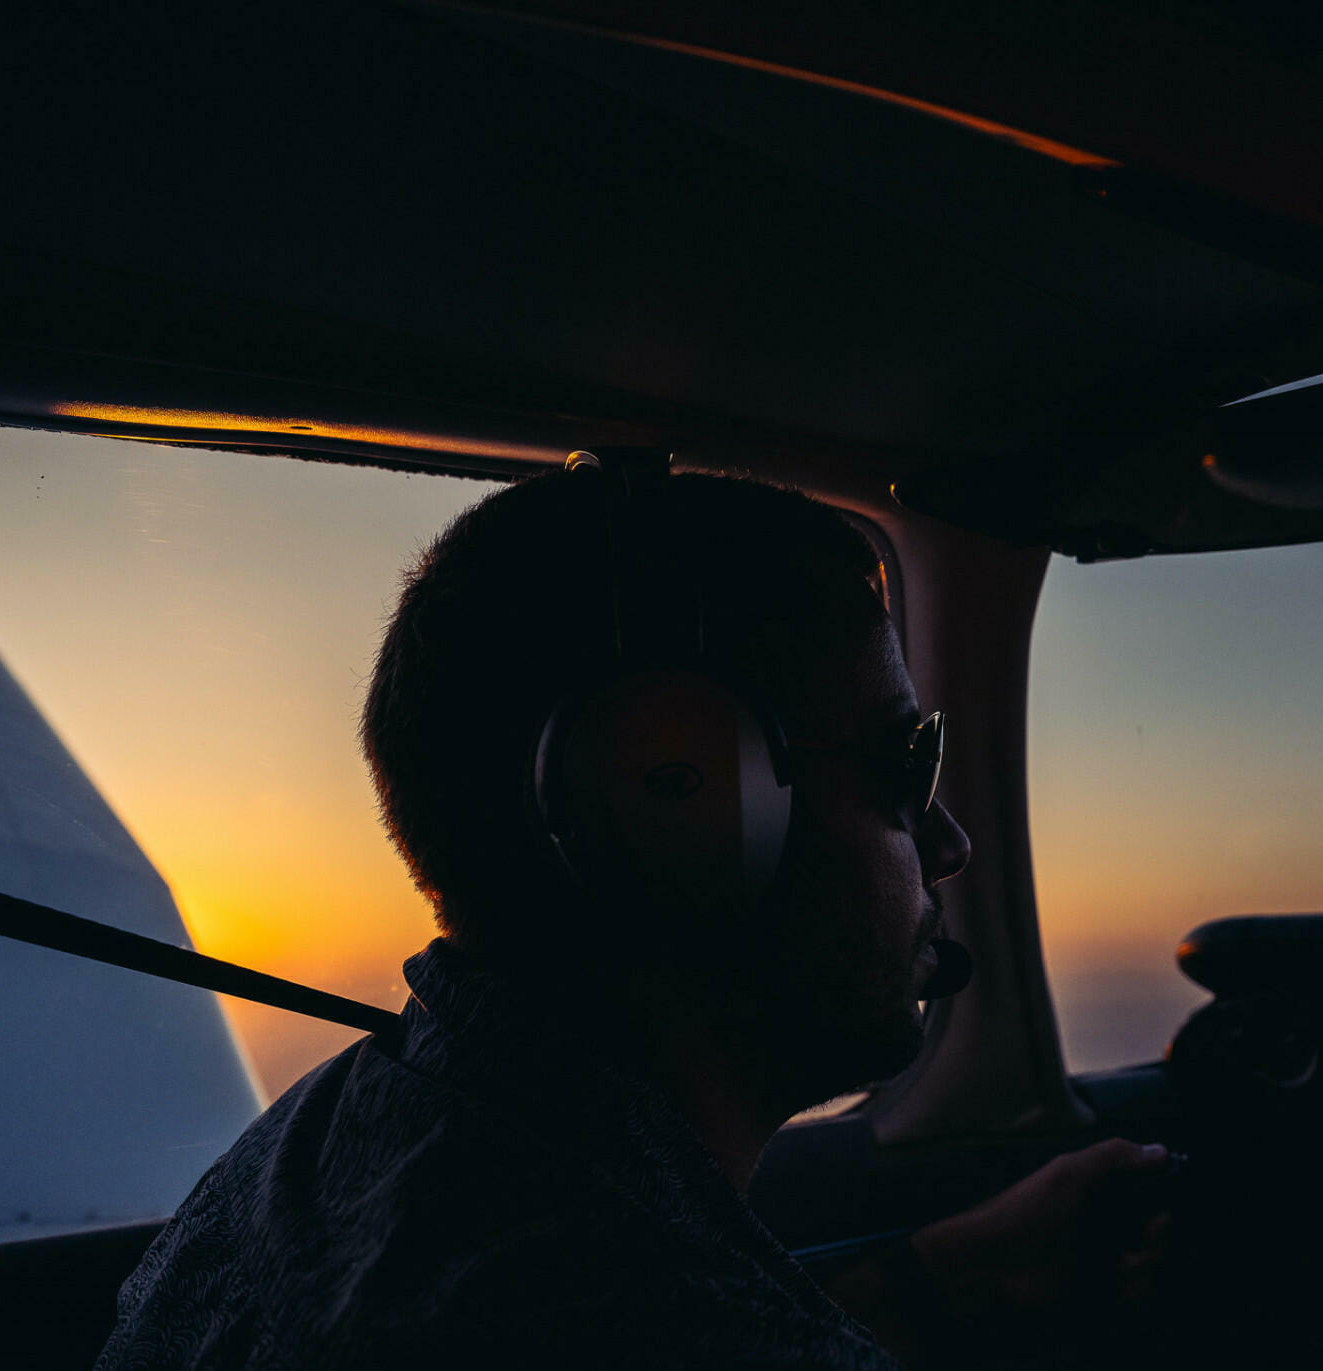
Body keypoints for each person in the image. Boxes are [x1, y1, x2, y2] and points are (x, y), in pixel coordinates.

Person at [97, 462, 1172, 1369]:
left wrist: (945, 1275)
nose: (948, 846)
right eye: (902, 764)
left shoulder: (329, 1135)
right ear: (682, 805)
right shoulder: (648, 1315)